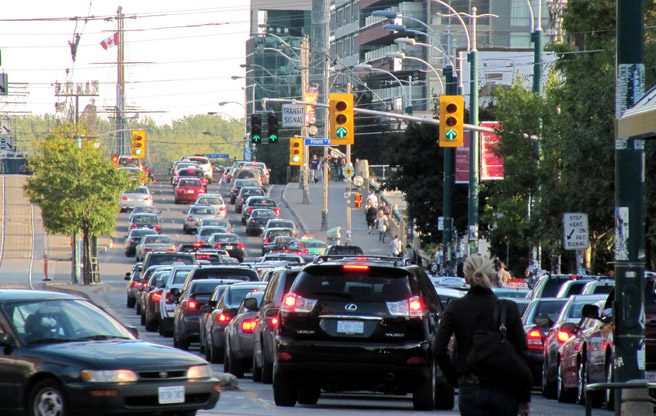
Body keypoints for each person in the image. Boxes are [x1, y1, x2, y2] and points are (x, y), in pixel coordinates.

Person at [435, 254, 531, 416]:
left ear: (466, 278)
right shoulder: (509, 309)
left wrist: (455, 378)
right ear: (492, 277)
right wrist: (524, 397)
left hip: (471, 386)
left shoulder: (455, 308)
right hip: (505, 388)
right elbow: (522, 355)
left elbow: (438, 349)